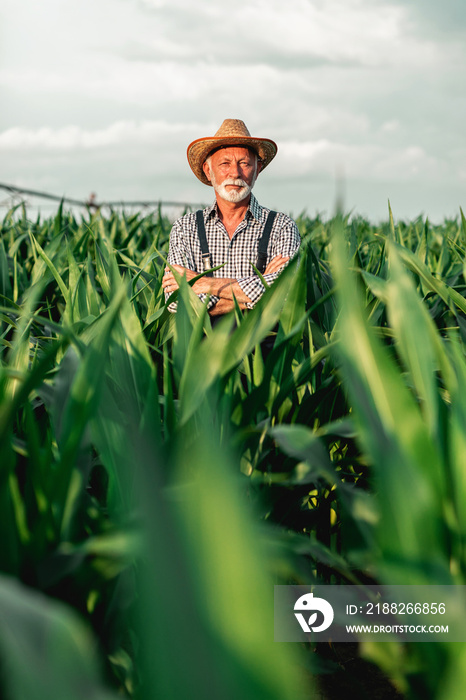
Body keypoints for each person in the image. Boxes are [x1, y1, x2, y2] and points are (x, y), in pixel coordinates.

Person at [162, 119, 301, 316]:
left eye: (244, 163)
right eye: (225, 163)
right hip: (203, 346)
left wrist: (201, 284)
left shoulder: (282, 226)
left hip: (264, 345)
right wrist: (264, 289)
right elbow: (177, 303)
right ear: (208, 171)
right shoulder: (185, 227)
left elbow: (288, 294)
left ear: (257, 170)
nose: (235, 173)